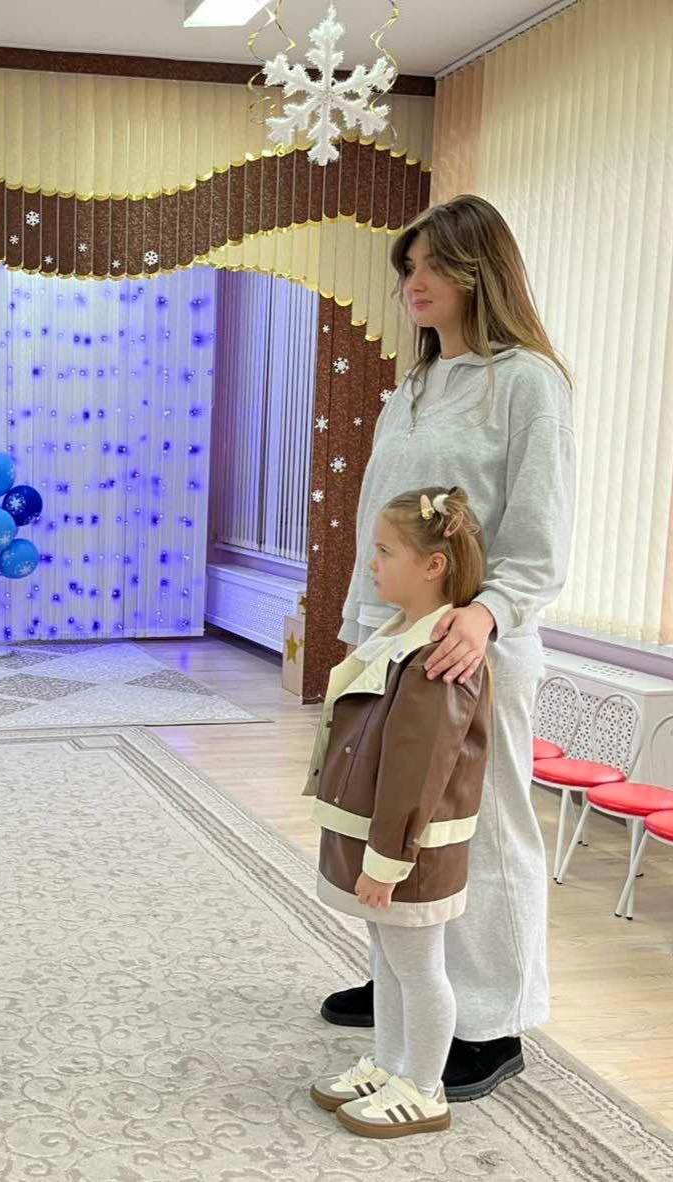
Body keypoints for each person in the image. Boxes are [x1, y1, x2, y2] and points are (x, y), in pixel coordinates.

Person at [319, 194, 576, 1102]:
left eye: (433, 266)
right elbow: (379, 525)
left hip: (475, 647)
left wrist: (490, 613)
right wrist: (361, 635)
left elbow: (540, 536)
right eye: (408, 268)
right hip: (392, 641)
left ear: (480, 271)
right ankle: (406, 971)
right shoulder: (413, 388)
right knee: (388, 814)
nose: (413, 283)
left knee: (484, 829)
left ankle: (491, 1021)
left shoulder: (528, 384)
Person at [307, 487, 491, 1138]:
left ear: (433, 565)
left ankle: (424, 1089)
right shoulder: (398, 635)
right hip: (387, 840)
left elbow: (417, 770)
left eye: (385, 552)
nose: (372, 564)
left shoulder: (435, 656)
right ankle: (389, 1066)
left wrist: (387, 860)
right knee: (387, 959)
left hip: (412, 849)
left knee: (418, 967)